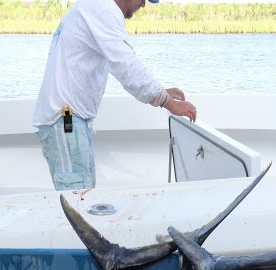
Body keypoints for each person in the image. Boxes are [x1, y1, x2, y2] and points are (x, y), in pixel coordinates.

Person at [33, 0, 198, 190]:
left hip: (68, 119)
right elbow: (126, 65)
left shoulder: (95, 6)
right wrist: (167, 101)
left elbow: (120, 64)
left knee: (83, 195)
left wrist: (161, 91)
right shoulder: (103, 9)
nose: (144, 5)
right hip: (66, 119)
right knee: (77, 199)